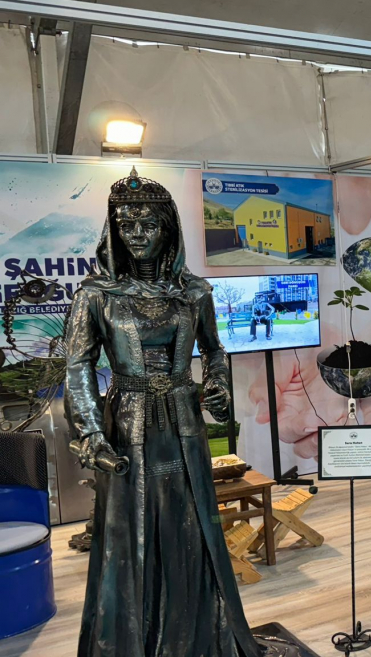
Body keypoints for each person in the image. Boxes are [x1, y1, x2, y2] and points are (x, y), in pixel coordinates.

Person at [65, 169, 262, 656]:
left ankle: (199, 635)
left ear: (167, 228)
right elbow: (77, 365)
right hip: (126, 423)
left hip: (183, 420)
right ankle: (132, 641)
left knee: (191, 522)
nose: (136, 235)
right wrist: (90, 434)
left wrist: (216, 384)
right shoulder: (96, 294)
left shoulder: (194, 292)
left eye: (148, 225)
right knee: (128, 528)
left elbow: (214, 350)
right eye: (126, 225)